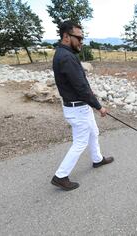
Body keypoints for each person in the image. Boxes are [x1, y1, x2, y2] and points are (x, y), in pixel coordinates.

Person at [51, 21, 114, 191]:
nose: (81, 41)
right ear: (66, 36)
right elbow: (80, 87)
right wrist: (99, 107)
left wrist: (90, 97)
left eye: (82, 38)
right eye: (78, 37)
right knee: (80, 142)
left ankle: (97, 159)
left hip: (79, 106)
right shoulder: (66, 57)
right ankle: (61, 176)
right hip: (77, 108)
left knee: (94, 132)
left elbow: (79, 83)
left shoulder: (66, 54)